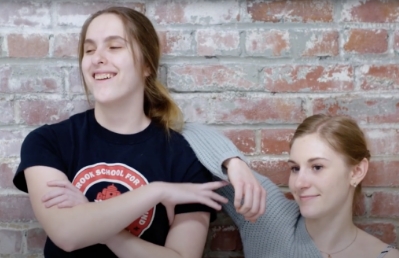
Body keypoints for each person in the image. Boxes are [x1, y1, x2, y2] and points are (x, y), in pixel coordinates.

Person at [12, 6, 231, 258]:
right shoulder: (48, 142)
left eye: (114, 47)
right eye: (89, 49)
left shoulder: (184, 156)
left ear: (147, 65)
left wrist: (94, 218)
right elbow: (67, 233)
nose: (97, 58)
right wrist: (157, 191)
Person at [182, 114, 398, 258]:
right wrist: (234, 164)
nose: (300, 183)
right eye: (295, 168)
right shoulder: (269, 218)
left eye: (317, 167)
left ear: (356, 171)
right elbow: (183, 129)